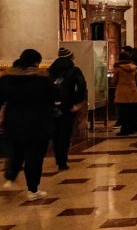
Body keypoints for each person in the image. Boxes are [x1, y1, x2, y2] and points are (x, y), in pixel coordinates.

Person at [1, 49, 56, 200]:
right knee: (34, 157)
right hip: (38, 124)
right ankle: (32, 189)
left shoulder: (7, 78)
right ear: (36, 62)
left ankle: (10, 177)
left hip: (14, 122)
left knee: (15, 151)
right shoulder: (42, 79)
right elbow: (56, 95)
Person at [48, 47, 87, 171]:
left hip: (52, 106)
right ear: (70, 57)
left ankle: (58, 158)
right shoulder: (74, 70)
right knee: (65, 133)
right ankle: (62, 162)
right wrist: (78, 101)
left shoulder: (50, 71)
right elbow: (81, 85)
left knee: (56, 133)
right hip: (68, 105)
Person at [113, 48, 137, 136]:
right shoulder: (134, 68)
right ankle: (131, 128)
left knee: (123, 112)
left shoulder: (118, 68)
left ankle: (124, 130)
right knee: (132, 111)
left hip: (122, 92)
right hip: (133, 91)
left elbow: (114, 80)